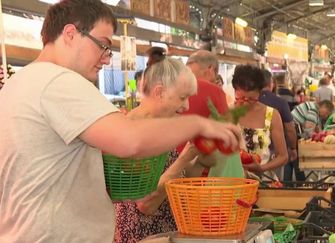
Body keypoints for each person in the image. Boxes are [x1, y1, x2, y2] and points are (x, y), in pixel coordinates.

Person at [0, 1, 241, 242]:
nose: (106, 59)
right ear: (70, 33)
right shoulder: (59, 81)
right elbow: (130, 141)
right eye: (103, 45)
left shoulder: (20, 83)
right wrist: (200, 125)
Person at [115, 58, 202, 242]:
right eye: (182, 97)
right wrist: (185, 158)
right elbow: (146, 203)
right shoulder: (130, 134)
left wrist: (200, 157)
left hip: (167, 232)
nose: (186, 106)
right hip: (143, 235)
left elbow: (176, 176)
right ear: (159, 92)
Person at [232, 65, 288, 181]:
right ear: (235, 91)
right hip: (233, 182)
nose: (246, 103)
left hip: (264, 182)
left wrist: (262, 168)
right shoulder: (227, 113)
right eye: (241, 98)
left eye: (251, 99)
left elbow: (283, 156)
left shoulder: (271, 115)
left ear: (259, 92)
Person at [260, 70, 297, 180]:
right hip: (275, 153)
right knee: (273, 185)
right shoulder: (280, 102)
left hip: (252, 155)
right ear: (271, 83)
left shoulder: (249, 102)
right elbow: (290, 129)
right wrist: (293, 147)